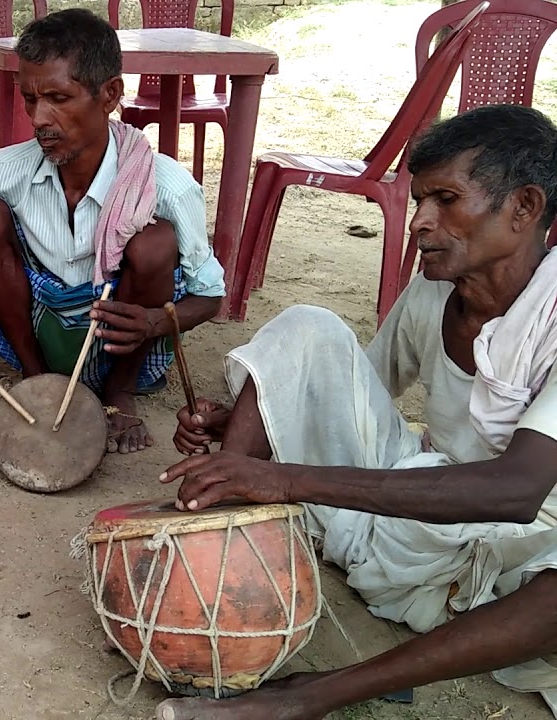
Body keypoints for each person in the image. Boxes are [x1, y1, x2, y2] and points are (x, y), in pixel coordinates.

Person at [156, 104, 557, 719]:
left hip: (525, 558)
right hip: (421, 515)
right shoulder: (434, 288)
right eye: (419, 201)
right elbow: (354, 389)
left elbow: (517, 492)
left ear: (524, 207)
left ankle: (309, 696)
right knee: (308, 328)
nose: (420, 222)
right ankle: (223, 546)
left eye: (446, 199)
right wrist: (256, 412)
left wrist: (283, 478)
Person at [0, 9, 225, 453]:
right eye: (30, 99)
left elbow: (210, 296)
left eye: (58, 98)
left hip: (125, 342)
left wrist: (152, 322)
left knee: (154, 242)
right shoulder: (2, 171)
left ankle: (119, 393)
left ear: (109, 94)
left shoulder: (165, 185)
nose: (39, 118)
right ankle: (36, 380)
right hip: (37, 333)